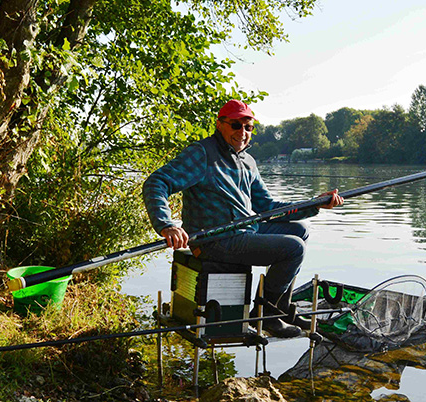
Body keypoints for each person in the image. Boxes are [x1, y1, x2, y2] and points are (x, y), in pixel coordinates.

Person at [143, 99, 343, 338]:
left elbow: (267, 206)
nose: (243, 132)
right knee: (293, 248)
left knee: (300, 229)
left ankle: (282, 307)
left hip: (245, 232)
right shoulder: (202, 153)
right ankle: (266, 314)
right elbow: (157, 182)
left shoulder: (248, 161)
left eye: (248, 127)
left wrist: (315, 203)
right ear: (220, 125)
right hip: (215, 241)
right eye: (236, 125)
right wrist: (166, 225)